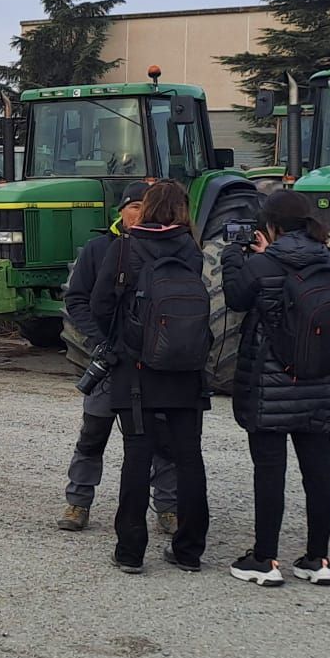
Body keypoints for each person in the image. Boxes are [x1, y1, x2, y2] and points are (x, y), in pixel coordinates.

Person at [221, 190, 330, 586]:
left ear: (270, 225)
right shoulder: (327, 260)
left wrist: (233, 258)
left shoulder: (264, 264)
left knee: (270, 473)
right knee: (319, 474)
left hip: (272, 383)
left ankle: (265, 560)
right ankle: (318, 559)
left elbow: (235, 298)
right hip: (320, 380)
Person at [87, 179, 212, 574]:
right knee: (190, 458)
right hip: (187, 369)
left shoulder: (125, 247)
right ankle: (189, 551)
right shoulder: (192, 250)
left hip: (136, 370)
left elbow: (100, 304)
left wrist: (125, 340)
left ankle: (130, 552)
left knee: (136, 458)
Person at [59, 181, 177, 534]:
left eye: (147, 207)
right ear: (122, 210)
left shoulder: (166, 249)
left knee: (161, 437)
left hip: (153, 362)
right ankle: (77, 502)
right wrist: (100, 340)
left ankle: (168, 508)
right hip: (111, 360)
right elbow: (77, 299)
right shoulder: (98, 249)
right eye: (135, 206)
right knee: (93, 433)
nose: (140, 214)